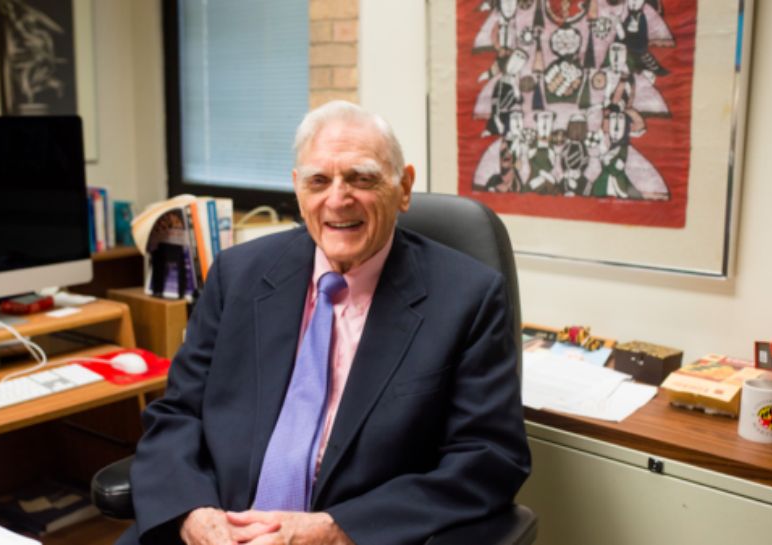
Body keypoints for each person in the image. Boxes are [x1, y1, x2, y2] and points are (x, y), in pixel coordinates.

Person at [118, 101, 530, 545]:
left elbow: (488, 459)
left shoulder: (467, 296)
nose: (337, 199)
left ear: (404, 187)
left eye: (362, 178)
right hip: (215, 526)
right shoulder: (238, 274)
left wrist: (335, 531)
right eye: (319, 180)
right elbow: (177, 413)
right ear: (298, 189)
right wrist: (193, 514)